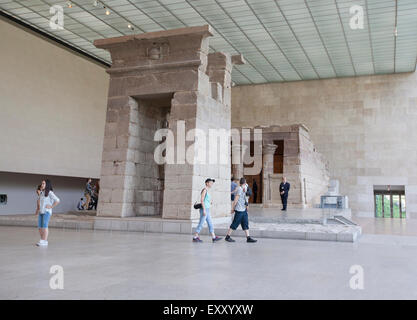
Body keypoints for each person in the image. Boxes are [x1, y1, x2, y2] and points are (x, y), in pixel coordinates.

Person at [225, 177, 257, 243]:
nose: (246, 185)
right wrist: (233, 208)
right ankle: (227, 237)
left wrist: (247, 206)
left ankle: (248, 238)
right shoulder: (239, 189)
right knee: (235, 223)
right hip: (239, 210)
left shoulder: (245, 188)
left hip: (244, 210)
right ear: (244, 183)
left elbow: (246, 197)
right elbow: (236, 200)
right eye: (245, 183)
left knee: (245, 223)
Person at [193, 178, 222, 243]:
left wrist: (209, 203)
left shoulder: (207, 190)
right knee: (201, 223)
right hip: (204, 209)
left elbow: (206, 200)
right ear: (207, 183)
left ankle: (213, 237)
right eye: (210, 182)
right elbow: (202, 200)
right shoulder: (204, 190)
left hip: (207, 209)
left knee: (210, 223)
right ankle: (195, 237)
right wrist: (204, 210)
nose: (211, 184)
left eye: (212, 183)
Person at [36, 179, 60, 247]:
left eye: (43, 183)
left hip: (47, 211)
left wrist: (51, 206)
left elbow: (58, 200)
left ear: (47, 185)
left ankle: (44, 241)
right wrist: (38, 209)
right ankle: (42, 240)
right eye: (42, 183)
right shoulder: (41, 193)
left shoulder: (50, 192)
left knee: (44, 226)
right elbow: (39, 202)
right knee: (40, 227)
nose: (42, 185)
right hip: (41, 211)